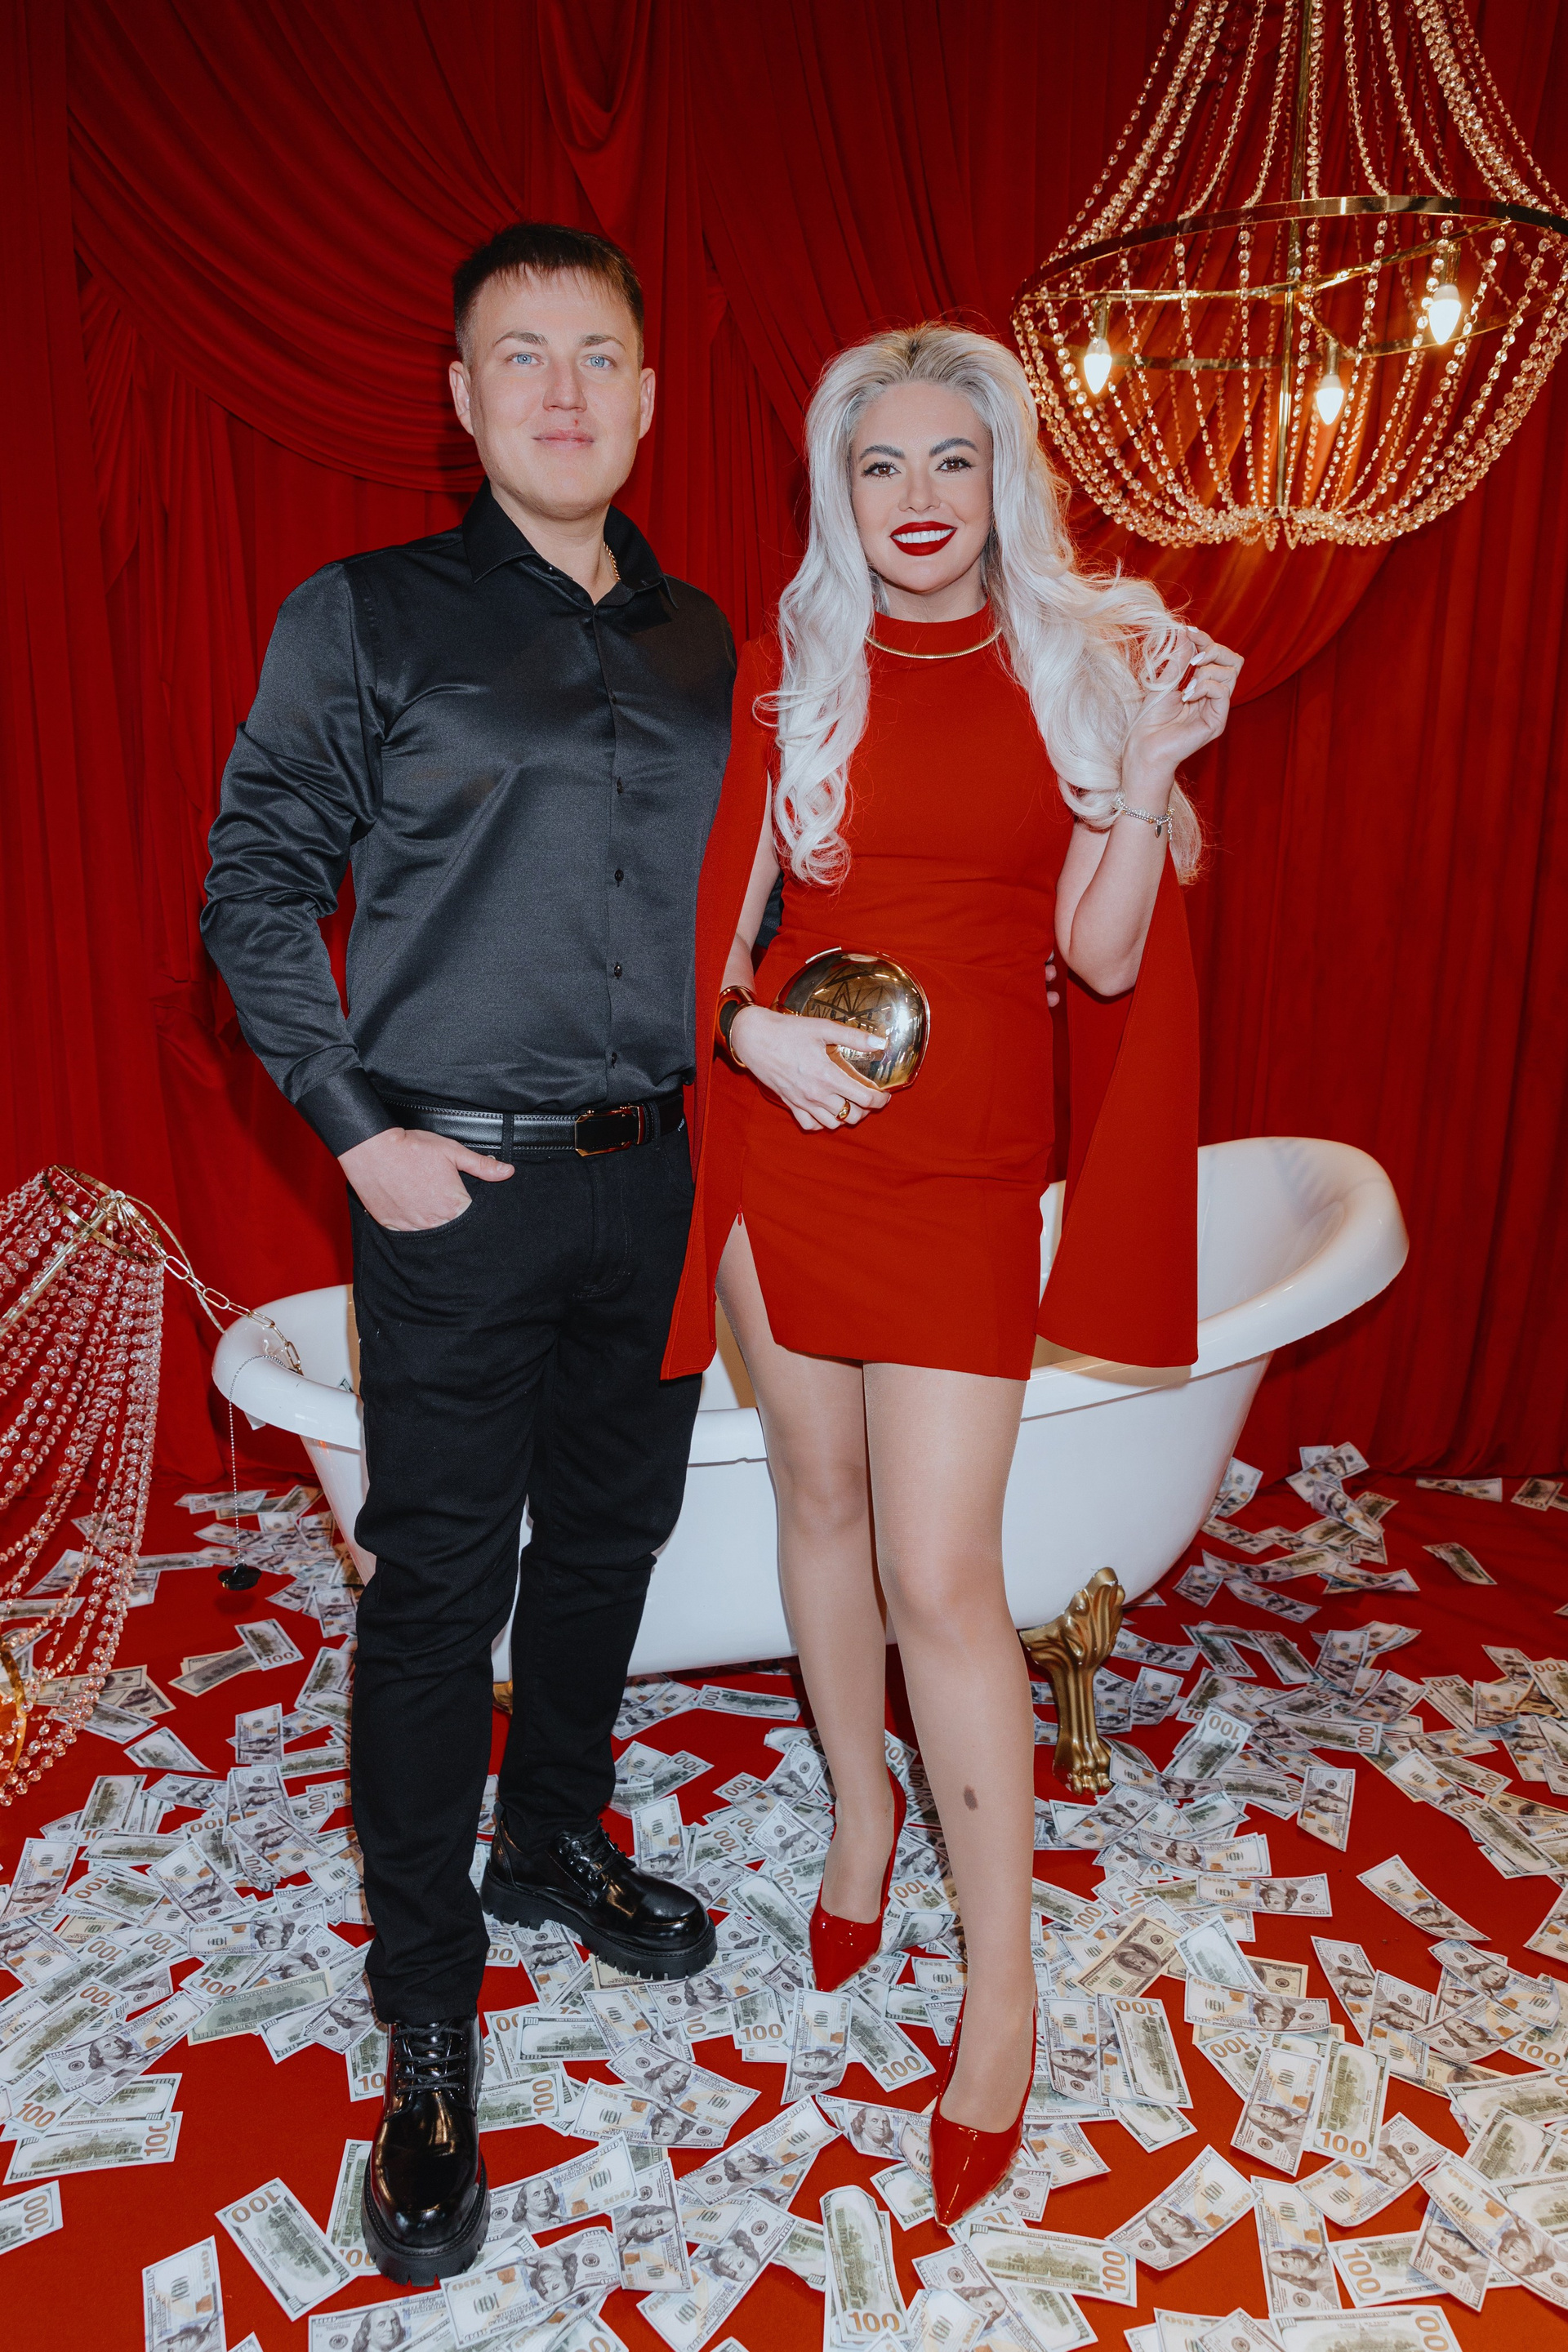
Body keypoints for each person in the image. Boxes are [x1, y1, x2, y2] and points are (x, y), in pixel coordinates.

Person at [202, 220, 734, 2285]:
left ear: (650, 397)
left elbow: (754, 892)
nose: (564, 389)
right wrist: (361, 1133)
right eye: (523, 354)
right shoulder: (366, 615)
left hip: (656, 1181)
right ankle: (427, 2021)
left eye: (599, 353)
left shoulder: (706, 642)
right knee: (439, 1594)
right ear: (460, 397)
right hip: (453, 1192)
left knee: (610, 1544)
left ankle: (554, 1841)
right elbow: (254, 887)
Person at [662, 322, 1240, 2223]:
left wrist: (1148, 771)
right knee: (819, 1502)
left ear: (1005, 483)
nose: (916, 500)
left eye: (951, 462)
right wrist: (749, 1035)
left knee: (943, 1576)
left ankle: (1004, 1987)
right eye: (879, 465)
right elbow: (714, 944)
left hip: (968, 1174)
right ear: (839, 491)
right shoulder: (785, 683)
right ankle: (862, 1808)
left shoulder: (1081, 673)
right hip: (790, 1158)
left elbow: (1106, 958)